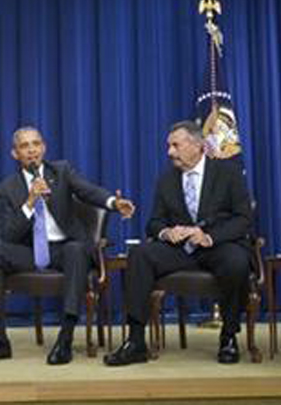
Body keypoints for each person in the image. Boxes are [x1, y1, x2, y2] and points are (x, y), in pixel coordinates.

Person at [0, 126, 135, 365]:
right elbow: (8, 235)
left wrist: (114, 202)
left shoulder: (61, 171)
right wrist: (29, 202)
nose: (31, 150)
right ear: (14, 153)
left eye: (36, 144)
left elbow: (88, 191)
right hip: (31, 251)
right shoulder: (8, 188)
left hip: (64, 248)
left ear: (44, 148)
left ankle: (65, 339)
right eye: (24, 146)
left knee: (75, 249)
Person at [104, 120, 253, 366]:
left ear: (197, 146)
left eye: (175, 145)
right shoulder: (167, 180)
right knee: (140, 254)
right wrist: (166, 232)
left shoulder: (228, 173)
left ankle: (228, 337)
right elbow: (153, 222)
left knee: (236, 261)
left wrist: (209, 237)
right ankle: (136, 341)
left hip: (216, 246)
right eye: (168, 146)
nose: (169, 152)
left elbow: (243, 218)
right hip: (180, 251)